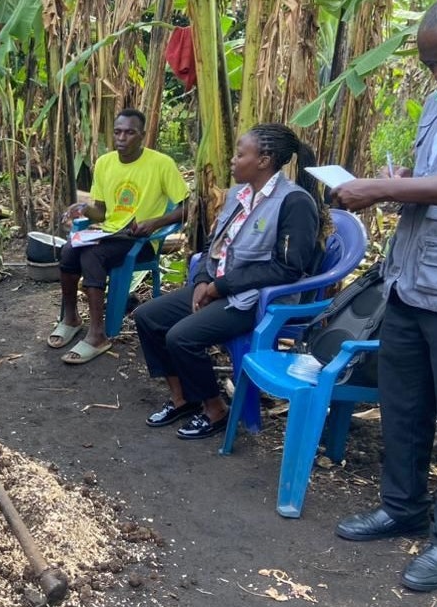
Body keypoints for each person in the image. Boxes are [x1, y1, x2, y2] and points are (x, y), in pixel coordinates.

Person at [330, 0, 437, 591]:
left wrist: (381, 188)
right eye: (429, 65)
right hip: (411, 279)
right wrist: (397, 190)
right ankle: (402, 508)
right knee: (403, 405)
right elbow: (435, 184)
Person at [134, 124, 328, 439]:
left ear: (264, 160)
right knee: (148, 317)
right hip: (221, 290)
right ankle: (183, 398)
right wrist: (201, 281)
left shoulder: (294, 202)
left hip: (258, 299)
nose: (234, 162)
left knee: (181, 337)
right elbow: (214, 245)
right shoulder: (239, 194)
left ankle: (215, 410)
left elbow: (288, 268)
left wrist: (219, 287)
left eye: (240, 155)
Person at [47, 108, 189, 364]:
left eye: (130, 132)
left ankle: (98, 334)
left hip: (139, 241)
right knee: (69, 250)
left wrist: (155, 222)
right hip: (109, 233)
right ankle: (71, 318)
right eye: (118, 132)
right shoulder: (104, 163)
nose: (122, 138)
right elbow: (100, 212)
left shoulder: (161, 164)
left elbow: (187, 207)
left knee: (92, 256)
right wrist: (82, 209)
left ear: (142, 135)